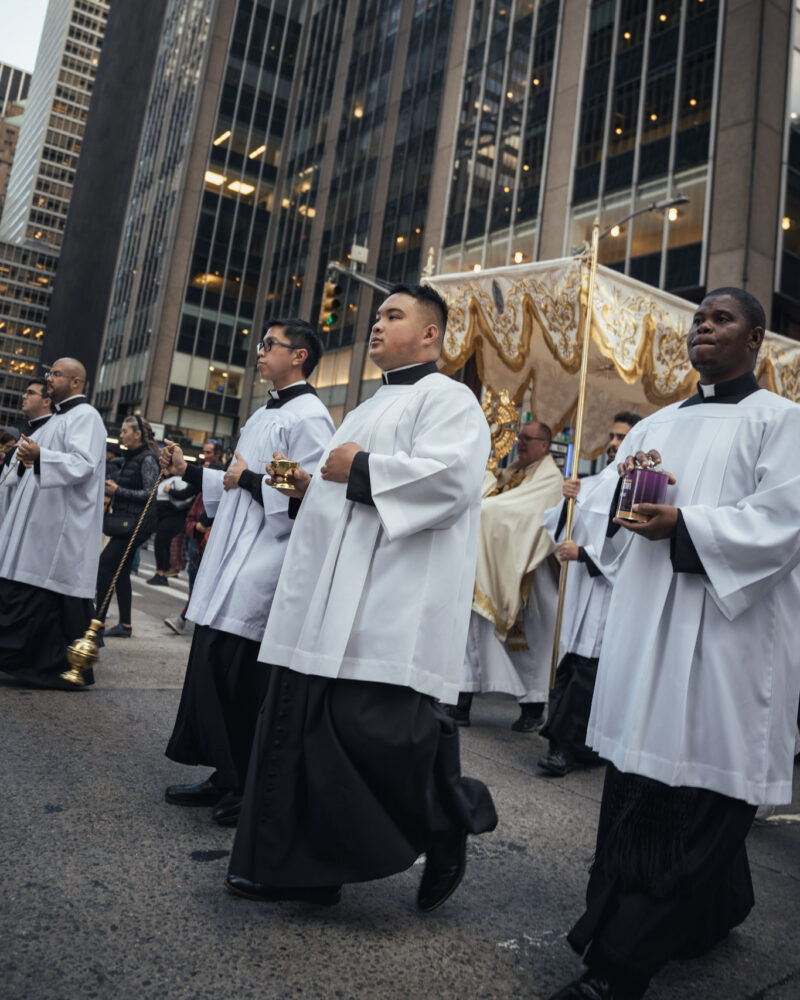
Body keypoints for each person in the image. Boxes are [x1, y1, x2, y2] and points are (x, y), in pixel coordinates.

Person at [551, 288, 800, 1000]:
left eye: (722, 319)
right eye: (699, 318)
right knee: (645, 783)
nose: (704, 328)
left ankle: (616, 970)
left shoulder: (782, 422)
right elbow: (602, 504)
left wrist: (685, 527)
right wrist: (615, 501)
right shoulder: (656, 424)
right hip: (648, 630)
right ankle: (712, 911)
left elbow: (784, 519)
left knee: (702, 788)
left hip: (729, 641)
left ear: (757, 340)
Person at [226, 283, 497, 911]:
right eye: (376, 315)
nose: (376, 325)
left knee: (366, 735)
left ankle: (446, 819)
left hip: (388, 599)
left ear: (431, 335)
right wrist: (306, 484)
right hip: (330, 600)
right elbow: (335, 489)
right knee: (307, 729)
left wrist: (361, 469)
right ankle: (306, 872)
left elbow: (451, 482)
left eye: (393, 316)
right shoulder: (366, 407)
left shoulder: (449, 399)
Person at [162, 318, 334, 827]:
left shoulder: (311, 416)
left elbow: (312, 485)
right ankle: (225, 773)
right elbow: (237, 480)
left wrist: (253, 476)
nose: (259, 353)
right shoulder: (264, 411)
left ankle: (245, 782)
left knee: (239, 673)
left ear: (298, 356)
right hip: (234, 549)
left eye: (270, 345)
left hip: (266, 557)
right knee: (213, 663)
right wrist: (191, 471)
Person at [537, 412, 640, 777]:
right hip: (581, 593)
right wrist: (567, 501)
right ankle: (569, 743)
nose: (613, 444)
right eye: (612, 436)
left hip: (608, 594)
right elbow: (557, 526)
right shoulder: (592, 482)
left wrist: (585, 555)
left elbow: (632, 546)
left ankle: (564, 746)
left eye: (622, 438)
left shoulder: (638, 488)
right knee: (571, 666)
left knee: (588, 673)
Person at [0, 358, 106, 689]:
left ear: (76, 382)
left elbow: (84, 463)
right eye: (50, 373)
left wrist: (41, 457)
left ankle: (50, 668)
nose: (50, 378)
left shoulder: (86, 417)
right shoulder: (52, 423)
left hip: (60, 528)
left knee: (42, 596)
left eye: (57, 374)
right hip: (36, 526)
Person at [450, 422, 564, 730]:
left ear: (545, 445)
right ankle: (461, 698)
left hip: (528, 571)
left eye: (529, 438)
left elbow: (517, 513)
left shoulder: (551, 480)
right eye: (520, 437)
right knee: (473, 630)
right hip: (492, 562)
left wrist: (484, 510)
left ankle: (533, 706)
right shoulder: (515, 470)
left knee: (529, 647)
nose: (521, 443)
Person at [96, 416, 161, 639]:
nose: (121, 435)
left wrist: (118, 491)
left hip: (138, 524)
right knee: (121, 572)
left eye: (125, 431)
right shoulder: (132, 457)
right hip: (129, 521)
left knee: (104, 567)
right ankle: (125, 624)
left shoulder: (148, 459)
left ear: (138, 434)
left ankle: (98, 622)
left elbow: (149, 493)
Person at [164, 439, 224, 636]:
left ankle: (185, 618)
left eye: (209, 454)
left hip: (211, 546)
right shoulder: (199, 491)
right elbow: (189, 512)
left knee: (203, 586)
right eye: (204, 453)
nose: (205, 458)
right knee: (194, 583)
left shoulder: (222, 489)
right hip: (197, 544)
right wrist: (197, 526)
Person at [0, 380, 53, 521]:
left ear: (46, 402)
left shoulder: (49, 432)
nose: (24, 396)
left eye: (30, 393)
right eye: (25, 392)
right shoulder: (31, 429)